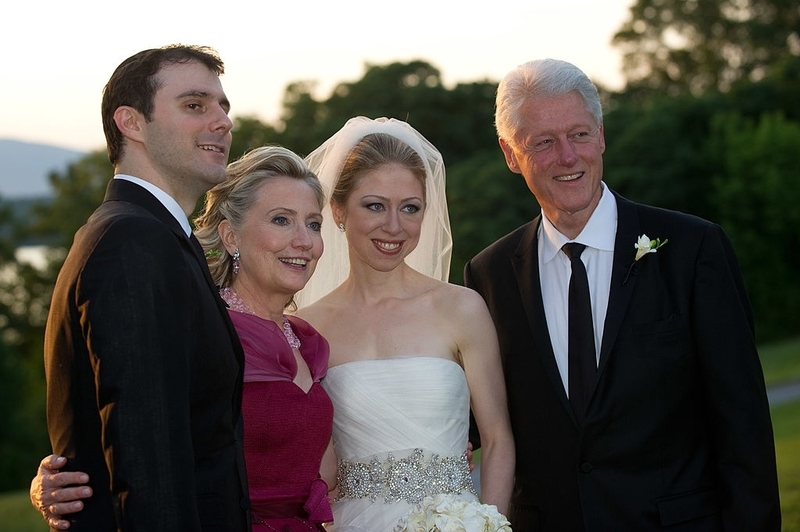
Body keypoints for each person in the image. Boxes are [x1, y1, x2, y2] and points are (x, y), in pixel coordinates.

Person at [464, 58, 781, 530]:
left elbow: (744, 424)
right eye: (544, 143)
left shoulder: (693, 249)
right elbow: (474, 426)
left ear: (602, 135)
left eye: (580, 134)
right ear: (511, 155)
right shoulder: (488, 275)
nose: (568, 157)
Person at [39, 45, 250, 531]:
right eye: (196, 105)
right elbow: (146, 451)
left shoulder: (162, 237)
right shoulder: (131, 241)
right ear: (131, 123)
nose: (222, 121)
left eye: (223, 107)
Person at [294, 117, 515, 531]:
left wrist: (490, 523)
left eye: (409, 208)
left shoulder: (462, 309)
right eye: (375, 205)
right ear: (338, 210)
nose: (394, 227)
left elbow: (499, 439)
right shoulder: (307, 327)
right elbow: (312, 462)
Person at [193, 145, 334, 531]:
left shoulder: (310, 344)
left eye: (314, 224)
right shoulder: (205, 333)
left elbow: (325, 470)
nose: (304, 240)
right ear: (230, 236)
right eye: (281, 220)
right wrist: (51, 484)